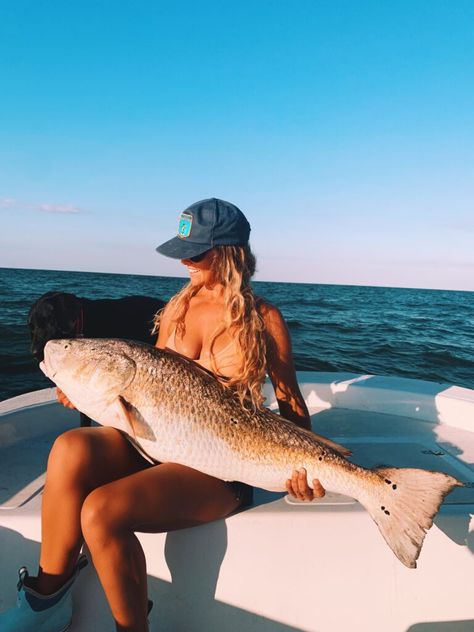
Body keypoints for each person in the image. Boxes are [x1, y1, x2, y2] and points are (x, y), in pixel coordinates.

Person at [1, 198, 325, 632]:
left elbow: (291, 404)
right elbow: (154, 393)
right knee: (69, 449)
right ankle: (47, 601)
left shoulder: (264, 318)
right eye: (182, 252)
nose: (185, 262)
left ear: (231, 252)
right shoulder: (176, 307)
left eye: (196, 253)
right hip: (156, 444)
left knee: (101, 511)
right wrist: (87, 395)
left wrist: (304, 469)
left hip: (221, 467)